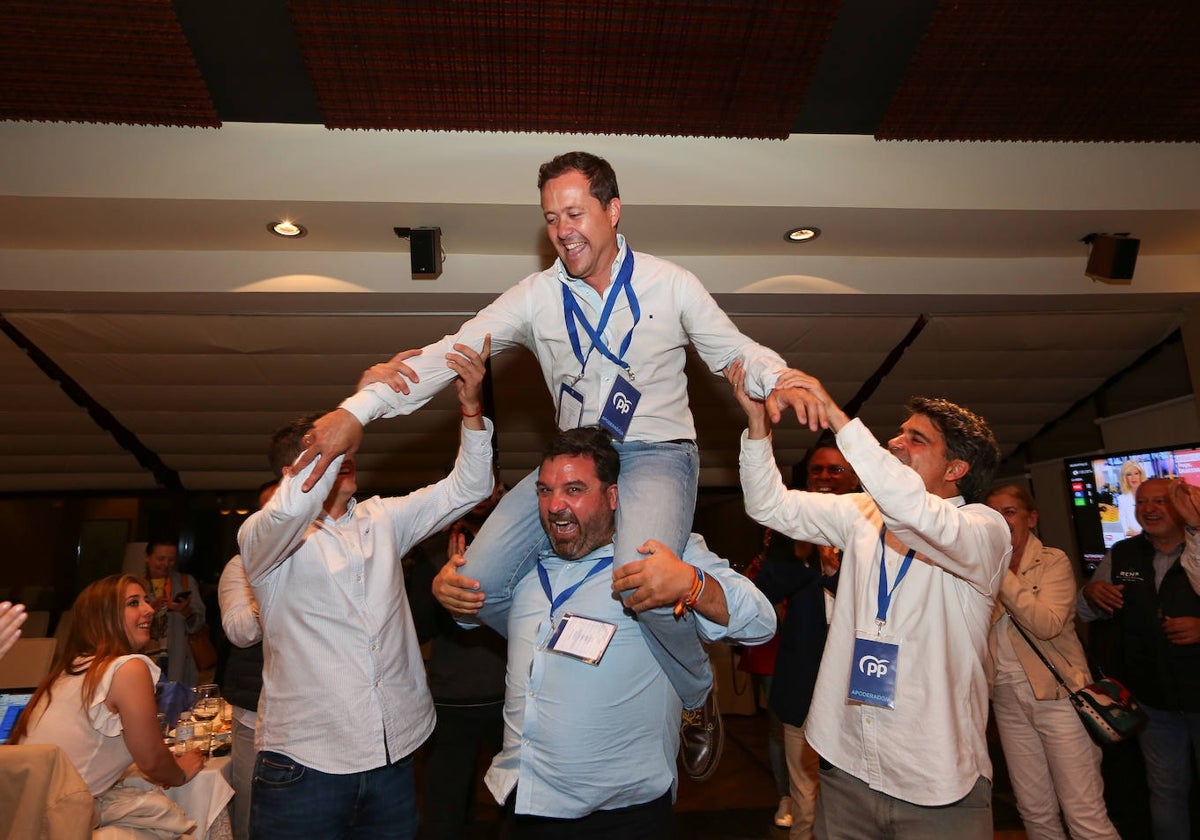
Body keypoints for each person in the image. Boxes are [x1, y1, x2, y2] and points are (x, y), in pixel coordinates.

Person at [294, 151, 823, 778]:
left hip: (655, 454)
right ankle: (554, 628)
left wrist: (781, 377)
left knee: (640, 578)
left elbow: (734, 350)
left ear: (612, 210)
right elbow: (453, 351)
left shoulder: (669, 283)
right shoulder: (536, 297)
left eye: (575, 212)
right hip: (574, 455)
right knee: (476, 585)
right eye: (551, 218)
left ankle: (693, 693)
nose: (563, 228)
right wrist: (363, 407)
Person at [432, 426, 776, 836]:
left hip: (622, 813)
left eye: (575, 490)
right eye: (544, 491)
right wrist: (451, 593)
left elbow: (761, 623)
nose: (555, 505)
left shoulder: (661, 552)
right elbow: (479, 611)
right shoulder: (521, 566)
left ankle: (697, 696)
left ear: (613, 497)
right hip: (526, 801)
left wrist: (691, 583)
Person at [727, 360, 1009, 839]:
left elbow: (914, 514)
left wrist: (836, 417)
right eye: (899, 433)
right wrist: (757, 427)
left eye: (916, 439)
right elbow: (768, 506)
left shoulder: (983, 530)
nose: (896, 442)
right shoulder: (861, 513)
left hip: (936, 783)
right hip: (847, 767)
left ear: (956, 469)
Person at [237, 338, 494, 840]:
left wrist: (469, 410)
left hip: (393, 758)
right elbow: (293, 508)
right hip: (304, 767)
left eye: (344, 446)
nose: (345, 455)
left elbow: (470, 488)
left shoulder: (382, 519)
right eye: (328, 450)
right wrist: (356, 409)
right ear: (293, 473)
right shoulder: (264, 537)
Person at [9, 574, 207, 830]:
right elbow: (152, 761)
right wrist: (179, 773)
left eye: (146, 601)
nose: (149, 610)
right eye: (134, 603)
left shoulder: (72, 669)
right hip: (54, 821)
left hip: (20, 812)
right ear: (104, 618)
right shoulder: (128, 668)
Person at [984, 485, 1118, 840]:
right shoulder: (978, 569)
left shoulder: (1053, 561)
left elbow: (1045, 625)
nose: (1001, 521)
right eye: (993, 513)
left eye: (1009, 512)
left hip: (1059, 699)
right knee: (1034, 812)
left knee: (1084, 813)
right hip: (1007, 701)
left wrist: (1001, 572)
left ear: (1032, 518)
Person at [1077, 477, 1200, 840]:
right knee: (1165, 793)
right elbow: (1085, 614)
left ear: (1181, 505)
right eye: (1142, 502)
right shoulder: (1123, 553)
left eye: (1160, 501)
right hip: (1153, 701)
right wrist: (1091, 592)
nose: (1149, 509)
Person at [753, 442, 859, 839]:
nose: (825, 479)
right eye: (817, 471)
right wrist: (806, 556)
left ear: (855, 477)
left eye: (835, 470)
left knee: (852, 790)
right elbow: (764, 590)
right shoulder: (788, 528)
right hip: (804, 677)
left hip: (859, 681)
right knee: (804, 790)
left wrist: (834, 567)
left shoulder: (876, 525)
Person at [405, 482, 508, 840]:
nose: (483, 496)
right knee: (446, 810)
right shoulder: (433, 548)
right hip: (451, 703)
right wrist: (442, 590)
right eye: (475, 487)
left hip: (510, 698)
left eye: (491, 487)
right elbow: (418, 628)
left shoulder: (520, 544)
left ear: (502, 492)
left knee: (518, 805)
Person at [217, 479, 278, 840]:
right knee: (255, 811)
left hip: (317, 711)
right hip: (257, 715)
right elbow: (239, 631)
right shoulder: (240, 567)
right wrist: (269, 586)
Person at [142, 537, 206, 687]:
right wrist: (151, 609)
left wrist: (186, 611)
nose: (166, 564)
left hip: (178, 656)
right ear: (147, 557)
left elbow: (199, 622)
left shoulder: (185, 581)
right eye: (161, 559)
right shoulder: (136, 584)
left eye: (171, 560)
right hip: (147, 655)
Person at [1115, 459, 1146, 538]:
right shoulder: (1122, 499)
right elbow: (1123, 523)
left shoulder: (1150, 495)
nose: (1133, 478)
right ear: (1125, 478)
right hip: (1132, 539)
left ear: (1141, 475)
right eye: (1129, 474)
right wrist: (1134, 534)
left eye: (1136, 473)